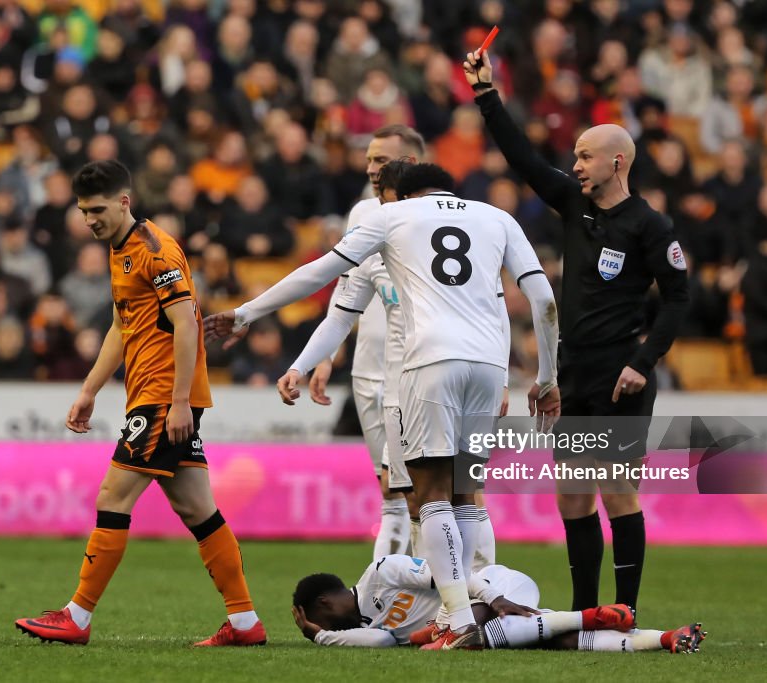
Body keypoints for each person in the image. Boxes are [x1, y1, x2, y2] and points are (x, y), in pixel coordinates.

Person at [205, 163, 561, 650]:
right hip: (489, 364)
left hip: (428, 361)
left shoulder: (393, 217)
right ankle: (485, 594)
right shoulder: (495, 216)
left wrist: (248, 311)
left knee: (427, 496)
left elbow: (319, 272)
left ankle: (458, 620)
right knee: (467, 491)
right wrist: (546, 377)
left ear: (399, 193)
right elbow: (542, 299)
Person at [464, 49, 690, 614]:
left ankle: (626, 609)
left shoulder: (650, 225)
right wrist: (487, 94)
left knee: (617, 493)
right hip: (575, 373)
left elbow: (681, 297)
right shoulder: (573, 203)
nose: (577, 164)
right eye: (575, 156)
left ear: (618, 161)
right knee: (572, 500)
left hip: (620, 376)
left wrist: (644, 360)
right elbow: (523, 160)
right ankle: (589, 612)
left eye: (586, 156)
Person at [14, 160, 264, 647]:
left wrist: (178, 403)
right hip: (152, 395)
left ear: (124, 202)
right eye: (84, 211)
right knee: (197, 508)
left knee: (112, 498)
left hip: (162, 397)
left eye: (98, 209)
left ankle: (77, 617)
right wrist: (89, 390)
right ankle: (245, 622)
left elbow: (187, 323)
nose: (90, 219)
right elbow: (120, 326)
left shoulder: (155, 249)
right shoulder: (119, 249)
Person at [278, 159, 511, 569]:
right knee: (415, 491)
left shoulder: (419, 235)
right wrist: (310, 361)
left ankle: (467, 595)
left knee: (453, 490)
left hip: (430, 376)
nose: (379, 199)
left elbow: (498, 304)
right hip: (407, 380)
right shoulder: (378, 249)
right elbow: (339, 313)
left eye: (383, 188)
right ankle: (446, 595)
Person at [309, 125, 424, 560]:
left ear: (408, 163)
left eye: (381, 160)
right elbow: (346, 286)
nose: (371, 168)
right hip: (366, 367)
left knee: (435, 492)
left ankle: (452, 593)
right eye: (369, 159)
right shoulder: (361, 213)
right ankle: (392, 589)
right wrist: (325, 354)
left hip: (416, 369)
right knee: (390, 492)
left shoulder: (435, 217)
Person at [291, 554, 705, 654]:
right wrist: (321, 635)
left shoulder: (383, 569)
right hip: (486, 619)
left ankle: (586, 617)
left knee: (472, 627)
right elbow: (380, 643)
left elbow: (449, 573)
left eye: (319, 620)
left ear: (325, 602)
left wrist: (494, 597)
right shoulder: (364, 628)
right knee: (543, 642)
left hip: (497, 586)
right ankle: (665, 638)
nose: (331, 630)